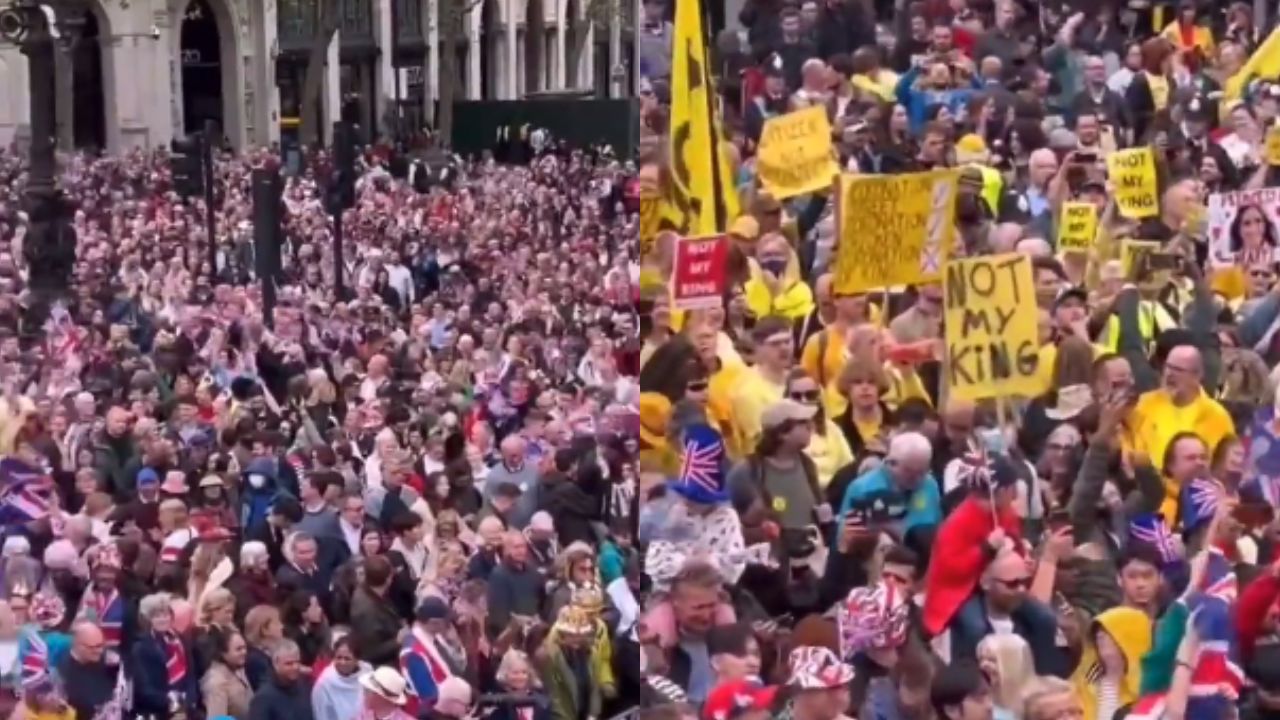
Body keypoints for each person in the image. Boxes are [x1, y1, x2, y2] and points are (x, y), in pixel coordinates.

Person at [248, 639, 315, 720]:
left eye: (297, 662)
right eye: (289, 664)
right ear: (275, 663)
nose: (295, 667)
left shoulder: (305, 686)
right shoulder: (262, 699)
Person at [311, 637, 372, 720]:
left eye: (347, 659)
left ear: (357, 660)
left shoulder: (367, 672)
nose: (342, 662)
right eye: (339, 657)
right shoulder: (324, 684)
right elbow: (321, 715)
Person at [201, 629, 254, 720]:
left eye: (244, 648)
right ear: (223, 653)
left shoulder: (238, 669)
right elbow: (217, 718)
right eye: (238, 649)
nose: (244, 652)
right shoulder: (216, 683)